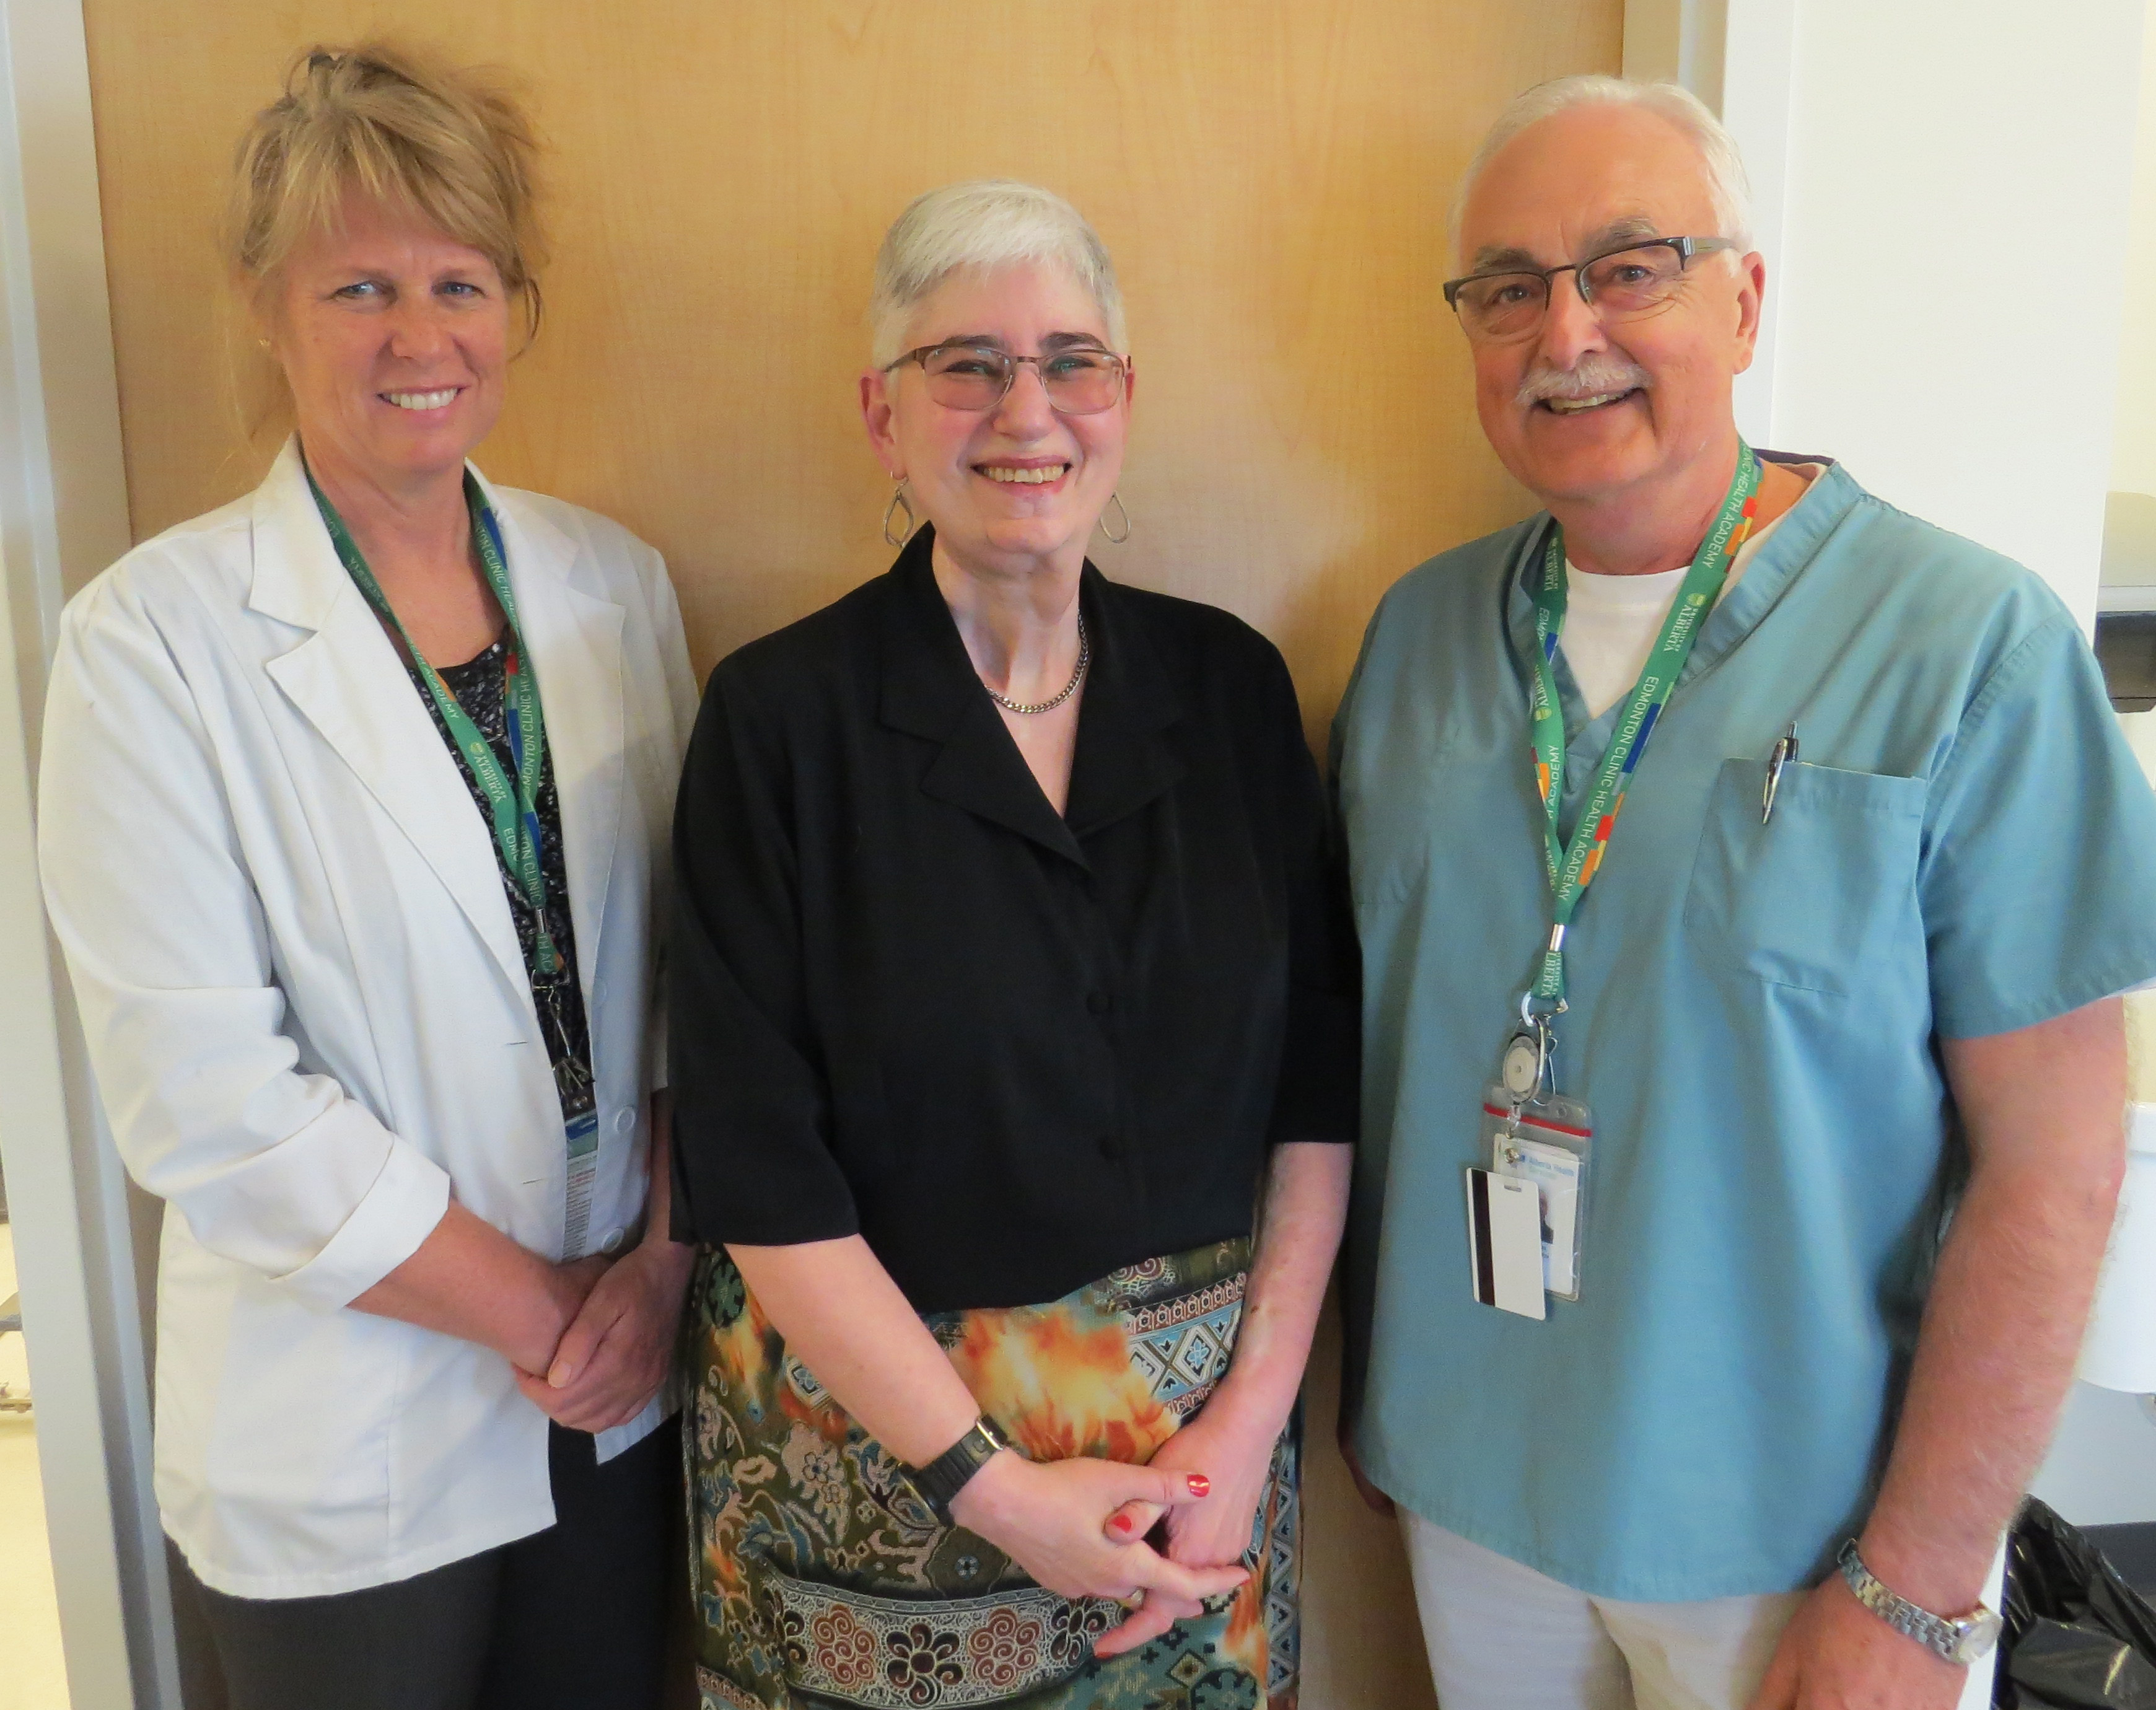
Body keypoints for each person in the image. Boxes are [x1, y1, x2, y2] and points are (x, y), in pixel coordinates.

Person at [1333, 74, 2156, 1710]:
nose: (1566, 333)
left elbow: (2055, 1167)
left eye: (1631, 265)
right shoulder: (1417, 644)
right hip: (1472, 1482)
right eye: (1508, 289)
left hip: (1811, 1536)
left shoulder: (1959, 646)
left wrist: (1919, 1589)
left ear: (1746, 297)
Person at [37, 44, 696, 1710]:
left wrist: (663, 1265)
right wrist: (547, 1307)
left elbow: (705, 981)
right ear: (267, 306)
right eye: (360, 286)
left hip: (615, 1388)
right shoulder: (149, 643)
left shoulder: (612, 586)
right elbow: (208, 1100)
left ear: (515, 306)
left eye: (460, 280)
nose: (421, 337)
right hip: (351, 1428)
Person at [670, 178, 1358, 1710]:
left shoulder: (1231, 690)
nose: (1023, 410)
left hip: (1200, 1503)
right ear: (881, 411)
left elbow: (1318, 1089)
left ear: (1125, 399)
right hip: (875, 1508)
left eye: (1071, 361)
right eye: (966, 362)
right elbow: (752, 1160)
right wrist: (987, 1486)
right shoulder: (780, 723)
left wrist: (1248, 1429)